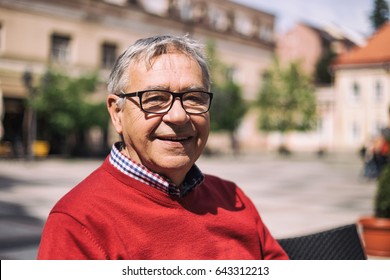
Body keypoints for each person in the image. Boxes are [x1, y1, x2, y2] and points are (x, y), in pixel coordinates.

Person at [37, 35, 288, 260]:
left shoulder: (232, 198)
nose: (178, 116)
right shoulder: (79, 223)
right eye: (155, 99)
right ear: (117, 114)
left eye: (193, 98)